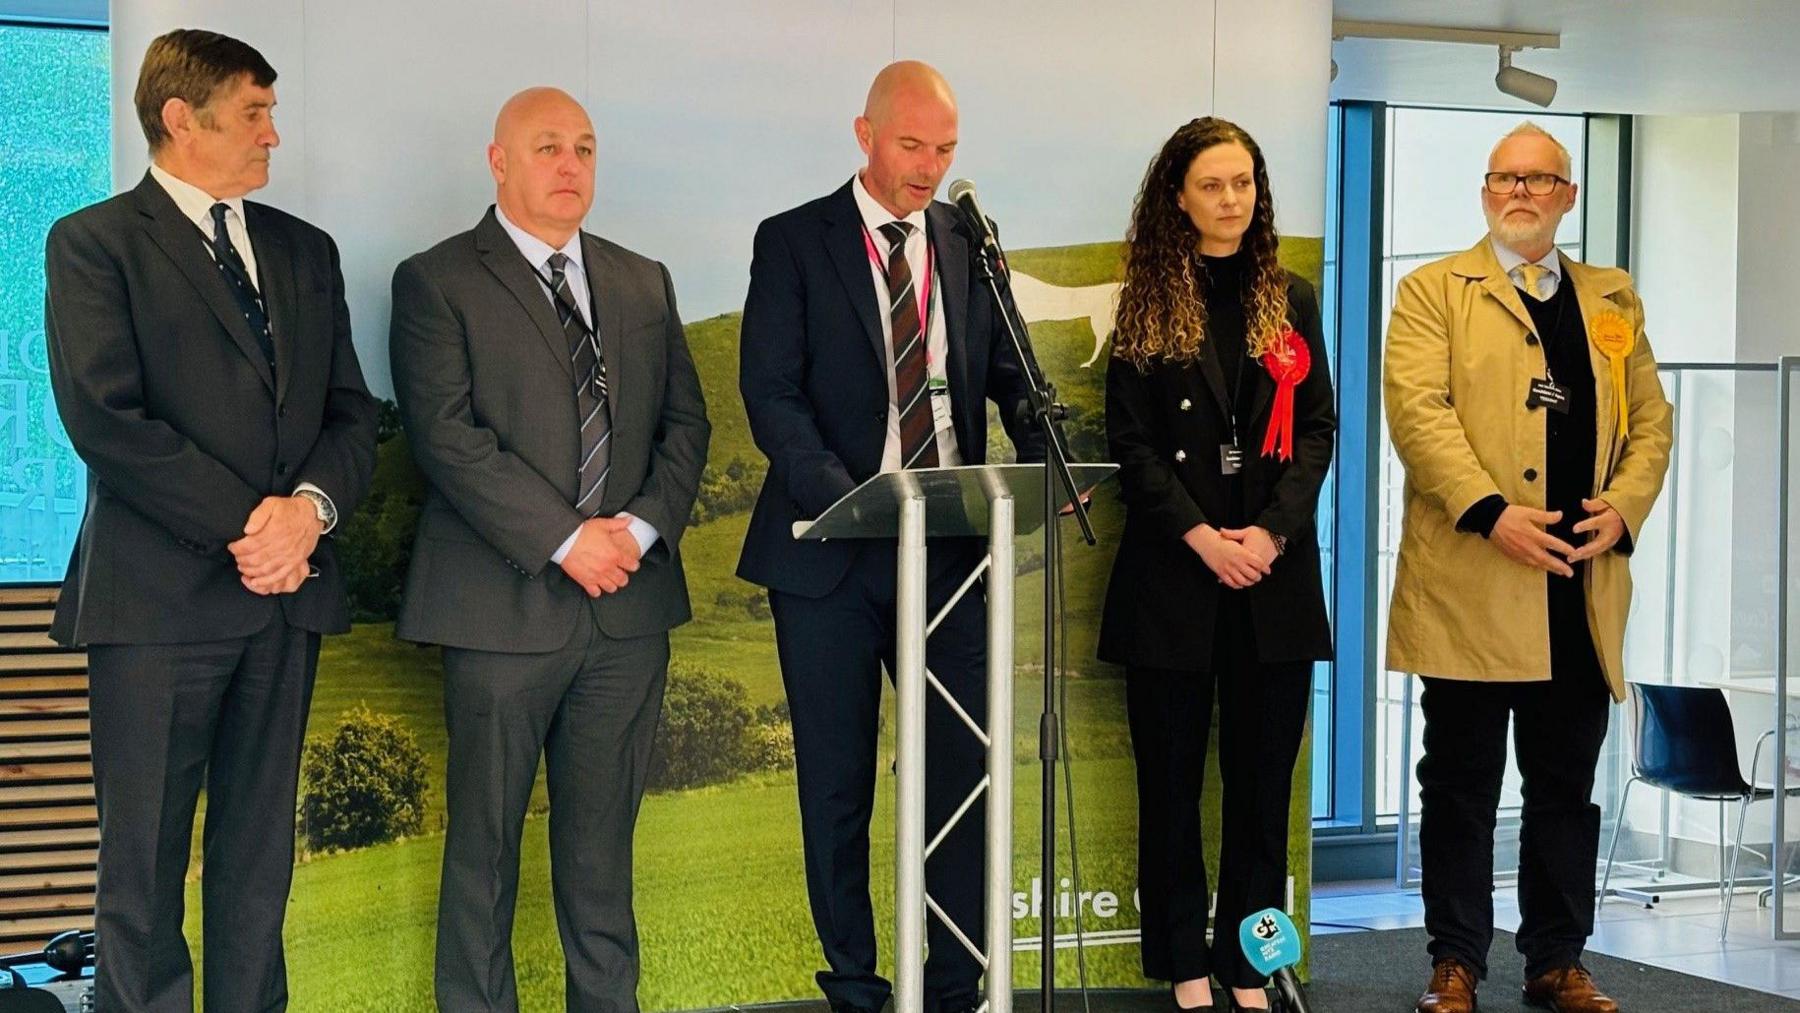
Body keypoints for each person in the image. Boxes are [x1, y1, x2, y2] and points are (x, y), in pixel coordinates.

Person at [42, 28, 379, 1013]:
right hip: (154, 610)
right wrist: (257, 528)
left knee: (257, 867)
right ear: (181, 118)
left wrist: (308, 515)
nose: (275, 133)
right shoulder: (93, 242)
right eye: (254, 112)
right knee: (142, 877)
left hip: (284, 606)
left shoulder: (304, 251)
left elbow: (352, 414)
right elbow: (107, 420)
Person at [388, 86, 709, 1013]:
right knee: (483, 859)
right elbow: (447, 438)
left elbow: (686, 425)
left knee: (603, 860)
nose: (570, 166)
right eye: (547, 148)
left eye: (584, 148)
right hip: (497, 613)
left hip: (629, 612)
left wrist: (637, 533)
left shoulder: (642, 278)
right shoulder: (437, 279)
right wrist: (568, 540)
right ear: (498, 161)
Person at [735, 60, 1044, 1013]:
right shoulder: (792, 241)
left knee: (962, 772)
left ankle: (955, 985)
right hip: (829, 555)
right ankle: (860, 988)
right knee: (837, 786)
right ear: (862, 133)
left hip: (949, 553)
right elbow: (772, 395)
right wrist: (855, 498)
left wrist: (1048, 453)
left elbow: (1006, 372)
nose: (929, 165)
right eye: (912, 144)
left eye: (946, 148)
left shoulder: (965, 240)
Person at [1385, 122, 1673, 1013]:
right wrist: (1491, 513)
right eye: (1506, 177)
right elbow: (1418, 413)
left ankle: (1558, 960)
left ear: (1568, 198)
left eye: (1541, 179)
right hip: (1473, 579)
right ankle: (1456, 963)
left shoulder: (1612, 297)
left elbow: (1652, 424)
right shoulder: (1432, 290)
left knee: (1563, 790)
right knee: (1462, 783)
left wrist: (1622, 508)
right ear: (1484, 191)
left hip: (1577, 590)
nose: (1521, 191)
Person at [1097, 117, 1335, 1012]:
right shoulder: (1148, 302)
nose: (1231, 199)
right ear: (1177, 196)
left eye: (1244, 183)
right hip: (1174, 583)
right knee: (1169, 792)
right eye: (1212, 185)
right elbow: (1135, 447)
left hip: (1272, 584)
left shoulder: (1293, 298)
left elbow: (1317, 430)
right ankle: (1183, 968)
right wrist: (1205, 540)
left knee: (1262, 789)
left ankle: (1247, 963)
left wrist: (1268, 536)